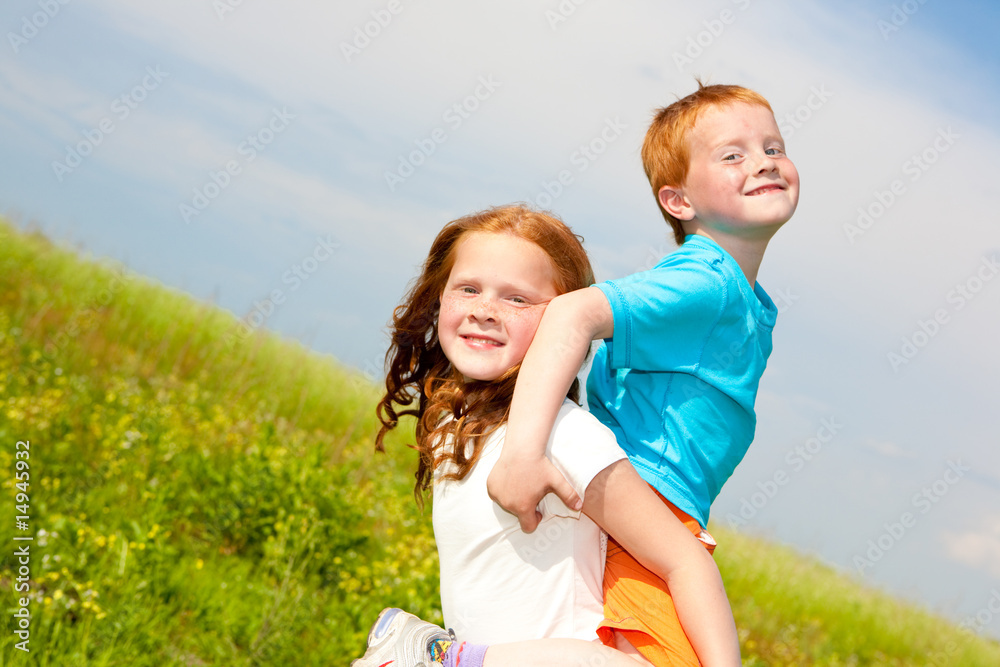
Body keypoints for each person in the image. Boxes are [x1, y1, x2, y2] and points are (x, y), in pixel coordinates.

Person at [486, 83, 801, 665]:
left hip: (662, 510)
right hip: (641, 502)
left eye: (773, 147)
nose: (763, 162)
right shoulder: (707, 282)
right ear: (679, 201)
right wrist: (522, 455)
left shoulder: (738, 294)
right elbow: (573, 313)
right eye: (733, 155)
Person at [353, 204, 741, 666]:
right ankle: (442, 657)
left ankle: (440, 657)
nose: (484, 311)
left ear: (560, 322)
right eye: (468, 289)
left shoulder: (564, 435)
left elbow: (684, 559)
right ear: (440, 298)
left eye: (517, 299)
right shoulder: (451, 420)